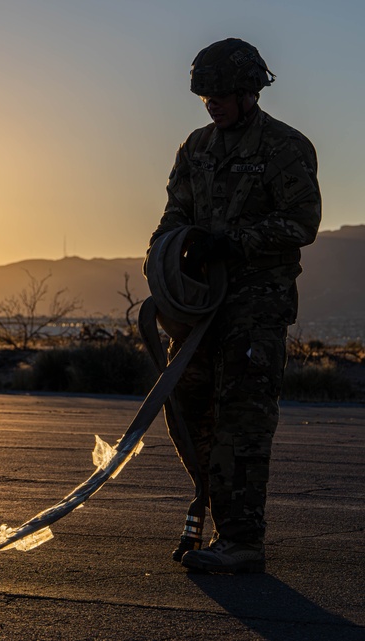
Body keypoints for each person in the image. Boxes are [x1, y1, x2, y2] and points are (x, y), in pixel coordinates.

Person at [147, 39, 321, 573]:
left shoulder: (284, 146)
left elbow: (302, 222)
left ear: (249, 92)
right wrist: (171, 257)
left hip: (255, 308)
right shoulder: (195, 147)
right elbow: (173, 215)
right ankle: (209, 513)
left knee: (241, 422)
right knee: (188, 409)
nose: (212, 104)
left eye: (221, 94)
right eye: (205, 96)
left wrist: (234, 242)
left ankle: (242, 539)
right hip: (199, 310)